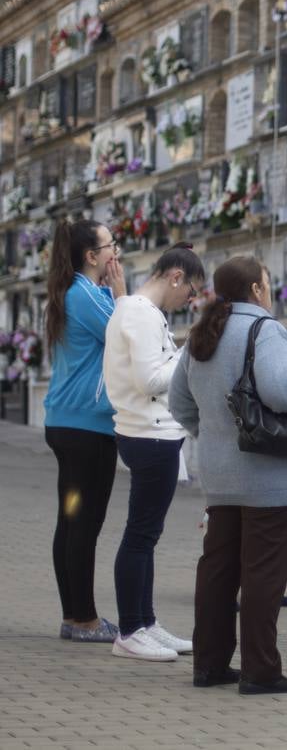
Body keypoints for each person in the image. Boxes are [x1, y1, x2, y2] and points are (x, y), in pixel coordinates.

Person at [168, 256, 287, 694]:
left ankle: (210, 665)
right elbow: (285, 391)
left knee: (218, 571)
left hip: (219, 475)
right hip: (269, 476)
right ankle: (261, 670)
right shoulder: (264, 329)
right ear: (256, 289)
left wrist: (213, 436)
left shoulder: (203, 333)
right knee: (263, 574)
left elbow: (179, 403)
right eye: (268, 282)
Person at [103, 245, 205, 662]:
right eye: (191, 291)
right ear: (176, 277)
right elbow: (150, 380)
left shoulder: (138, 311)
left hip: (150, 432)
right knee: (141, 535)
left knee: (146, 535)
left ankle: (144, 622)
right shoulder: (141, 313)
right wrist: (189, 350)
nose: (189, 300)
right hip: (150, 435)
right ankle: (130, 630)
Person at [43, 218, 127, 643]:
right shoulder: (86, 294)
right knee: (84, 524)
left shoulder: (72, 292)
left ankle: (73, 617)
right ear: (92, 256)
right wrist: (122, 293)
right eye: (112, 245)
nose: (116, 253)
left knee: (71, 519)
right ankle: (85, 621)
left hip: (66, 424)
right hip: (87, 429)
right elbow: (127, 334)